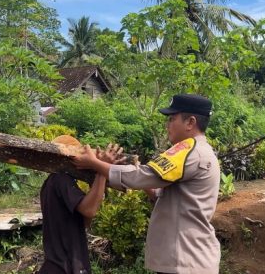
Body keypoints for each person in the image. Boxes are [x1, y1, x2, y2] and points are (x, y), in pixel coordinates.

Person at [74, 94, 221, 274]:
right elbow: (160, 191)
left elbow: (138, 178)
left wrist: (95, 163)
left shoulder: (189, 151)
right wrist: (135, 173)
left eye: (172, 119)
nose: (167, 125)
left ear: (190, 122)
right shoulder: (200, 151)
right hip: (189, 259)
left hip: (185, 260)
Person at [38, 136, 121, 274]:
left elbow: (84, 221)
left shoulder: (51, 183)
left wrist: (94, 181)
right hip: (64, 266)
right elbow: (89, 210)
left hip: (62, 265)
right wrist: (101, 170)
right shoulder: (61, 179)